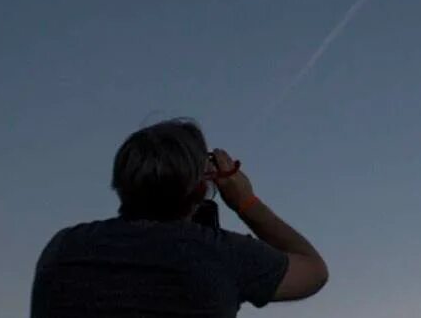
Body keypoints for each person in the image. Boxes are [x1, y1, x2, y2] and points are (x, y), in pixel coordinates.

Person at [31, 118, 328, 317]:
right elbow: (314, 271)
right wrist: (246, 201)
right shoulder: (221, 255)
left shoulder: (62, 249)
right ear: (200, 187)